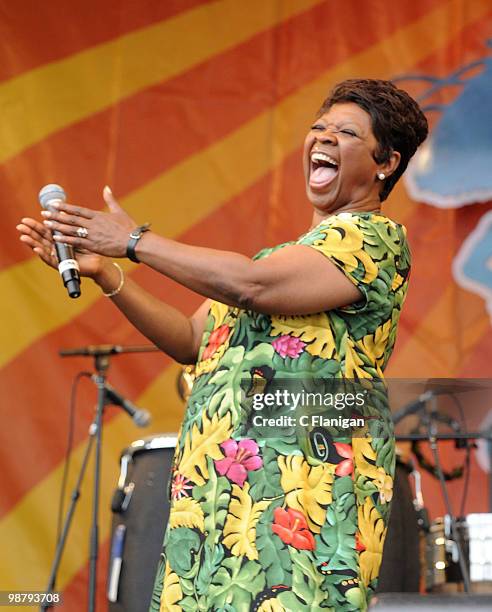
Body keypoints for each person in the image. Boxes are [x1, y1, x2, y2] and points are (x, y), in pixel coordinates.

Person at [17, 78, 428, 611]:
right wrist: (106, 271)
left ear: (386, 162)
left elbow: (249, 286)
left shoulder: (373, 240)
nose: (322, 139)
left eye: (345, 133)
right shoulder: (273, 261)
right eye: (318, 128)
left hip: (297, 509)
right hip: (216, 509)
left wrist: (134, 242)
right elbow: (191, 339)